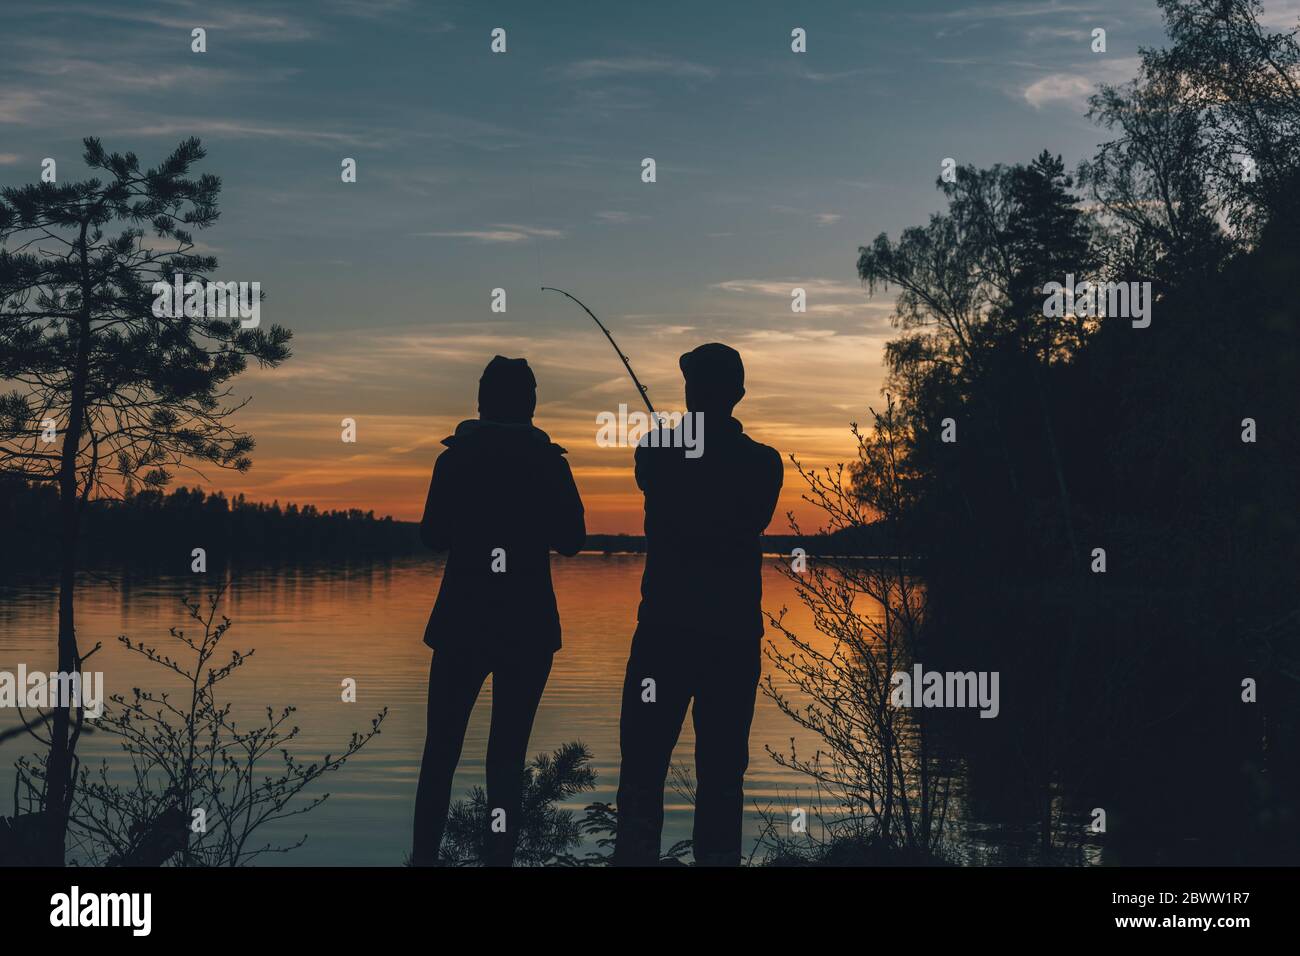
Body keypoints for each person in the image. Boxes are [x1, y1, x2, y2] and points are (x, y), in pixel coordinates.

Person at [613, 343, 783, 866]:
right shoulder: (763, 463)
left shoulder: (657, 450)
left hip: (664, 634)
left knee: (643, 770)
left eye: (694, 384)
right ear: (739, 394)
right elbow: (748, 516)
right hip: (731, 639)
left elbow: (656, 473)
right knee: (722, 776)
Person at [412, 355, 585, 866]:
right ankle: (500, 859)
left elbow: (431, 536)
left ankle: (423, 859)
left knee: (439, 753)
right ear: (530, 404)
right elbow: (573, 540)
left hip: (460, 624)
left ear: (482, 401)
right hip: (528, 630)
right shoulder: (550, 463)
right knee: (506, 759)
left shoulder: (455, 459)